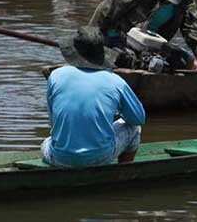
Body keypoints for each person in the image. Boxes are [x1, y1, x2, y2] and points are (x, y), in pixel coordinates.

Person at [41, 26, 146, 168]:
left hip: (60, 158)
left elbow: (53, 123)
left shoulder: (55, 75)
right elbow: (138, 119)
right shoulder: (115, 81)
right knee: (134, 129)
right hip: (100, 158)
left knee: (46, 142)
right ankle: (122, 173)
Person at [88, 0, 197, 78]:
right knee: (123, 58)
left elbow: (192, 29)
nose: (166, 1)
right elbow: (105, 10)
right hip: (123, 36)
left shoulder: (186, 0)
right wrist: (90, 40)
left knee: (190, 62)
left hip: (153, 44)